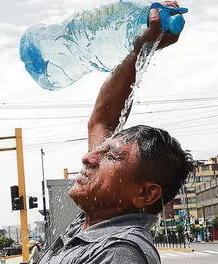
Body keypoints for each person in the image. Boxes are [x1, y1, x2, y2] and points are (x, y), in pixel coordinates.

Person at [38, 1, 194, 263]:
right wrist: (143, 49)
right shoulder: (94, 223)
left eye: (111, 156)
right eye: (102, 150)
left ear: (145, 194)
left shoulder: (119, 251)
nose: (89, 158)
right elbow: (103, 119)